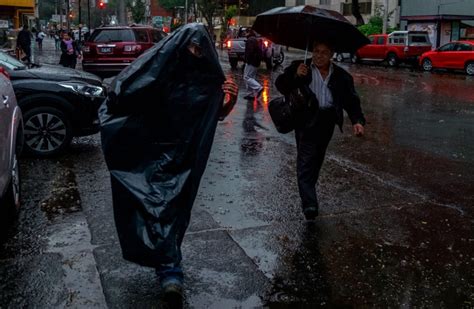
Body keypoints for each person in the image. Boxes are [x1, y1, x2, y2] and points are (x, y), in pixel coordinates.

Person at [99, 23, 238, 307]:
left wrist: (226, 100)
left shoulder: (203, 79)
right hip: (150, 154)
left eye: (200, 50)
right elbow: (125, 95)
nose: (195, 53)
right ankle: (169, 269)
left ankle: (169, 266)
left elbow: (210, 118)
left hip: (182, 158)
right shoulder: (159, 71)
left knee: (174, 209)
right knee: (155, 208)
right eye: (191, 47)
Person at [275, 40, 366, 220]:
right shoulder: (301, 67)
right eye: (316, 51)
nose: (318, 55)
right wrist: (296, 75)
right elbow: (281, 86)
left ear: (331, 55)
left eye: (324, 52)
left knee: (316, 159)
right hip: (305, 119)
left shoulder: (341, 76)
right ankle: (309, 204)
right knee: (306, 159)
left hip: (327, 121)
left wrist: (357, 121)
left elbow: (351, 100)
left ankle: (309, 190)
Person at [243, 29, 263, 100]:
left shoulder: (250, 40)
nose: (244, 33)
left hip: (251, 61)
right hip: (255, 61)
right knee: (251, 77)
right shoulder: (254, 39)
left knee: (247, 77)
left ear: (248, 32)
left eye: (245, 32)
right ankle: (251, 94)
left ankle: (259, 88)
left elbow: (250, 51)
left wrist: (246, 60)